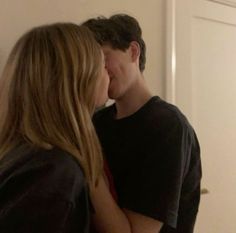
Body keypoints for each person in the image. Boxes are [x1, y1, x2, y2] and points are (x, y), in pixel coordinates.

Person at [83, 14, 202, 233]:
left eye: (103, 58)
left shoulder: (168, 126)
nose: (98, 70)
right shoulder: (98, 121)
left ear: (133, 52)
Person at [0, 22, 110, 233]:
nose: (107, 73)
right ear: (78, 79)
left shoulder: (26, 157)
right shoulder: (53, 175)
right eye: (102, 65)